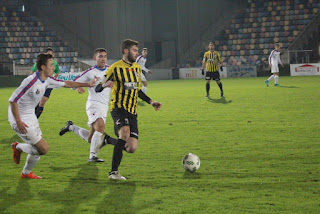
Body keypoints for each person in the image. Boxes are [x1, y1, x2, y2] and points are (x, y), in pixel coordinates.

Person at [9, 53, 96, 179]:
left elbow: (66, 83)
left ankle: (26, 173)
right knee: (43, 149)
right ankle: (17, 147)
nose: (53, 68)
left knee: (38, 144)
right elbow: (13, 100)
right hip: (19, 116)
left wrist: (87, 84)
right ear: (43, 67)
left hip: (30, 114)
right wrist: (18, 121)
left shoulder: (48, 80)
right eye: (51, 65)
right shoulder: (30, 81)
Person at [95, 39, 162, 180]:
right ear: (126, 51)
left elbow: (137, 90)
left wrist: (151, 101)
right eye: (134, 50)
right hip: (118, 108)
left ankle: (107, 140)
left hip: (132, 111)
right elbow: (98, 87)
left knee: (131, 148)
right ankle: (113, 172)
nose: (137, 53)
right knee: (124, 132)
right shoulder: (114, 68)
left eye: (137, 50)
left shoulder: (137, 68)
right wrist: (104, 85)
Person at [59, 48, 117, 162]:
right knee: (100, 126)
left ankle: (71, 127)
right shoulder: (90, 72)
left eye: (105, 56)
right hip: (93, 104)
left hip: (105, 105)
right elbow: (74, 82)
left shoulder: (111, 70)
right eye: (100, 56)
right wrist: (78, 87)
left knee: (91, 139)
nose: (103, 59)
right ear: (94, 58)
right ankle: (92, 156)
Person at [30, 47, 60, 118]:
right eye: (48, 53)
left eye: (51, 53)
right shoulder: (40, 62)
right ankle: (31, 115)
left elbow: (57, 72)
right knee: (37, 101)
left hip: (49, 85)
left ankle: (35, 118)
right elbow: (32, 70)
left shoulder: (55, 64)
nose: (50, 54)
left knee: (42, 101)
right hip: (40, 83)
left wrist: (53, 79)